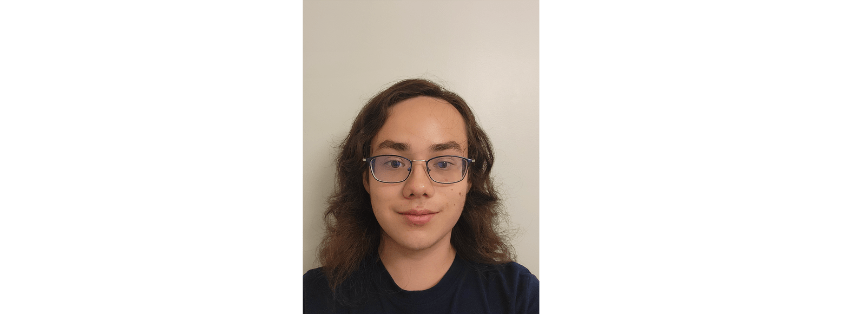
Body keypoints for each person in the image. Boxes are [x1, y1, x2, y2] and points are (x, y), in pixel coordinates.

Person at [303, 78, 539, 313]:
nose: (418, 186)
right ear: (366, 178)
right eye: (394, 162)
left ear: (469, 179)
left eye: (444, 163)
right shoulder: (311, 297)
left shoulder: (518, 295)